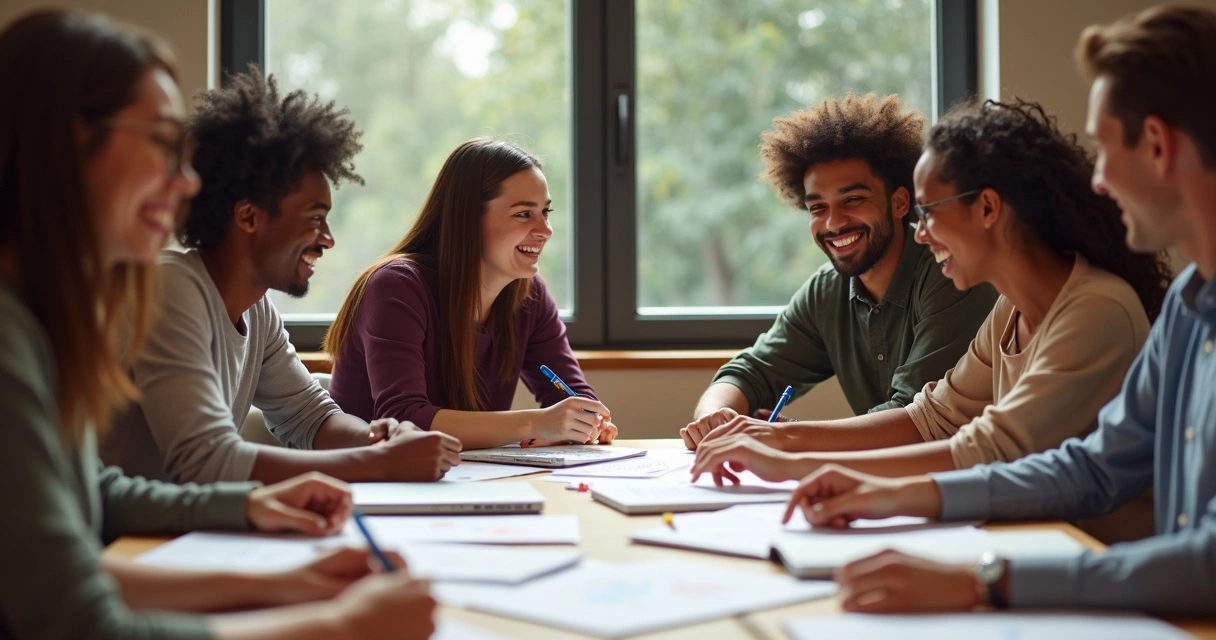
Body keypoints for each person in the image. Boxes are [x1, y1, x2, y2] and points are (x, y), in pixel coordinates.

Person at [0, 9, 434, 639]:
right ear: (67, 139)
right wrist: (337, 626)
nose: (185, 182)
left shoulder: (41, 314)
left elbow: (88, 501)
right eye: (160, 143)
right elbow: (75, 620)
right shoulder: (22, 328)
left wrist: (280, 568)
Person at [775, 4, 1216, 616]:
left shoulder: (1102, 308)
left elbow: (1204, 561)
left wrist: (983, 580)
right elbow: (1091, 467)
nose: (1099, 179)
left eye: (1107, 148)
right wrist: (889, 492)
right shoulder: (1189, 309)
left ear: (1160, 145)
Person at [689, 100, 1170, 503]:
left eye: (929, 213)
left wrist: (798, 454)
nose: (920, 232)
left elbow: (992, 448)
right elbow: (934, 417)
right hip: (1028, 539)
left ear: (987, 209)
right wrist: (779, 442)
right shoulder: (1011, 308)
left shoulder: (1096, 309)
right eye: (818, 207)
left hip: (1090, 561)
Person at [100, 67, 462, 484]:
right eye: (315, 219)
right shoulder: (170, 287)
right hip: (123, 541)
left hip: (184, 533)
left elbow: (310, 418)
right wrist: (380, 464)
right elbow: (203, 461)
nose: (327, 240)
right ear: (249, 217)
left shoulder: (257, 311)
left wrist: (379, 440)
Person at [681, 94, 998, 450]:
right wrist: (714, 416)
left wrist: (791, 435)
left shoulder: (951, 272)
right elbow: (751, 372)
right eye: (817, 207)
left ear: (899, 202)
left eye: (853, 200)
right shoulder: (828, 291)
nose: (833, 223)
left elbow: (918, 419)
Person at [325, 138, 616, 449]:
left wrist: (586, 422)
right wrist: (536, 423)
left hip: (459, 477)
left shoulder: (528, 295)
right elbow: (403, 420)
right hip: (363, 483)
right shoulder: (395, 286)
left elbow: (571, 395)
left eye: (546, 212)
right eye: (524, 214)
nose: (545, 230)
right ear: (468, 218)